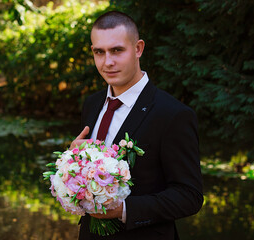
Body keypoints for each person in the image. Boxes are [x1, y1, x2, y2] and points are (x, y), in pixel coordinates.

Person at [70, 11, 204, 239]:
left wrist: (124, 210)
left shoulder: (173, 114)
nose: (107, 62)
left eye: (117, 50)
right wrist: (74, 162)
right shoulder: (92, 104)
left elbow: (189, 196)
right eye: (99, 52)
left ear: (138, 49)